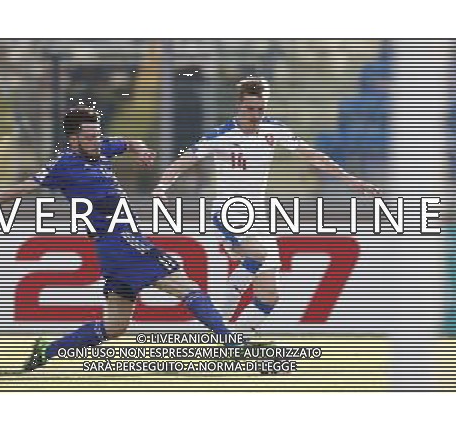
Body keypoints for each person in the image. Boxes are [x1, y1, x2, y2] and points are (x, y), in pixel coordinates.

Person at [0, 104, 237, 372]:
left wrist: (140, 148)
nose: (97, 140)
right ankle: (232, 345)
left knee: (114, 327)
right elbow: (22, 188)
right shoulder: (63, 166)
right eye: (90, 136)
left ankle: (46, 351)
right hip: (119, 240)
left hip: (111, 248)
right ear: (73, 139)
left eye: (99, 134)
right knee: (187, 286)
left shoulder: (100, 150)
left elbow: (128, 141)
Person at [153, 76, 380, 336]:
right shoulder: (221, 135)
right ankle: (221, 317)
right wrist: (161, 189)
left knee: (270, 295)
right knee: (258, 255)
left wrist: (350, 179)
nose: (255, 114)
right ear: (238, 106)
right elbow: (183, 162)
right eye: (250, 108)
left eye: (260, 109)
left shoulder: (274, 130)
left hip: (257, 215)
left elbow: (314, 156)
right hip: (230, 210)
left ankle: (240, 338)